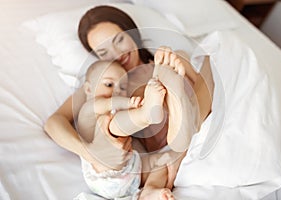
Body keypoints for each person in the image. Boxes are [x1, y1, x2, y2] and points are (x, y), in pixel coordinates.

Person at [44, 5, 214, 198]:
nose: (116, 54)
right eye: (103, 52)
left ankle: (181, 128)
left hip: (186, 131)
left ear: (131, 32)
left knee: (203, 61)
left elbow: (205, 93)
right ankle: (177, 131)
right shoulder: (106, 82)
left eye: (119, 40)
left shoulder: (169, 60)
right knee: (111, 125)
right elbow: (54, 123)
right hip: (133, 154)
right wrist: (90, 154)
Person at [77, 59, 177, 199]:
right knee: (111, 124)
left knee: (164, 160)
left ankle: (149, 190)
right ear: (88, 88)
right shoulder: (88, 109)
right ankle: (146, 113)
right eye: (109, 84)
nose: (116, 90)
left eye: (123, 87)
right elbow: (108, 103)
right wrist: (130, 103)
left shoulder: (120, 114)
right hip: (105, 171)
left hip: (133, 174)